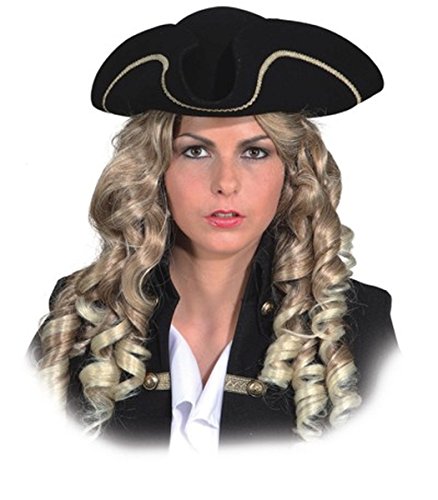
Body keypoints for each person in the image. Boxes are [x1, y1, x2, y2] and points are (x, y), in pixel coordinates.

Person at [26, 6, 399, 453]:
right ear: (154, 171)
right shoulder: (82, 321)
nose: (225, 183)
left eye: (255, 153)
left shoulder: (354, 326)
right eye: (195, 152)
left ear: (291, 174)